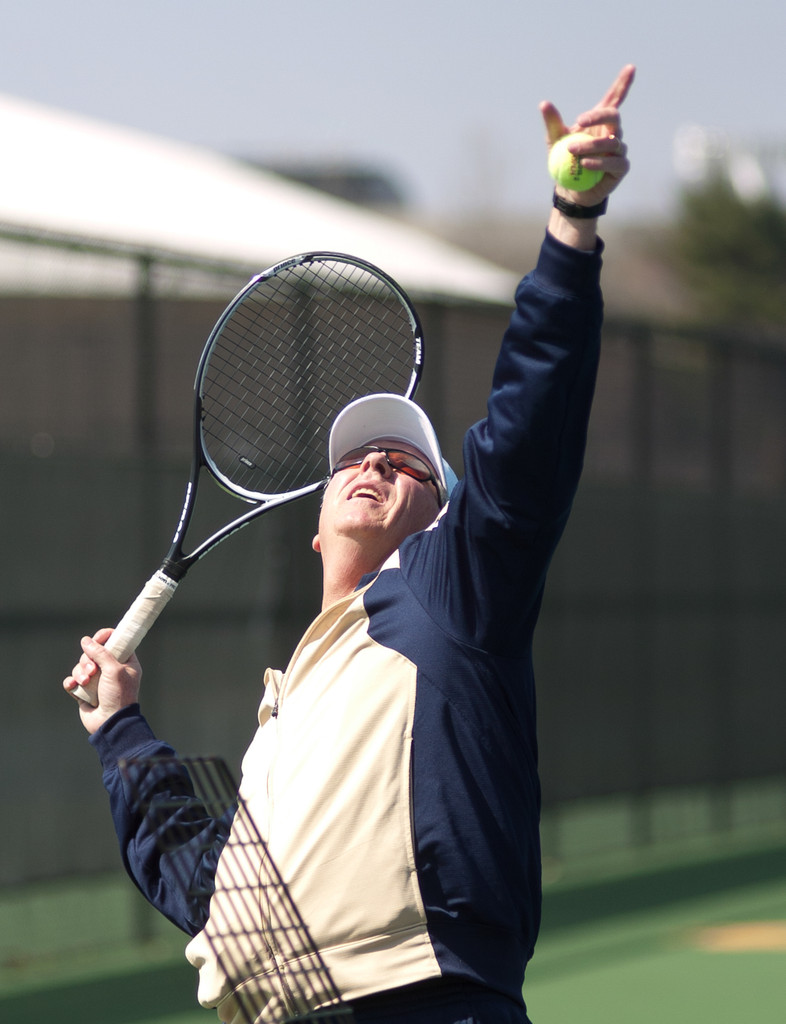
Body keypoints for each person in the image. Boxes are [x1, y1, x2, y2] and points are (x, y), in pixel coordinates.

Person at [64, 64, 635, 1024]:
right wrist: (120, 727)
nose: (374, 462)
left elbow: (528, 431)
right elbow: (211, 892)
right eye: (355, 456)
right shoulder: (286, 719)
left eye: (405, 461)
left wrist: (570, 231)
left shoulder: (451, 595)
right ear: (318, 517)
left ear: (443, 514)